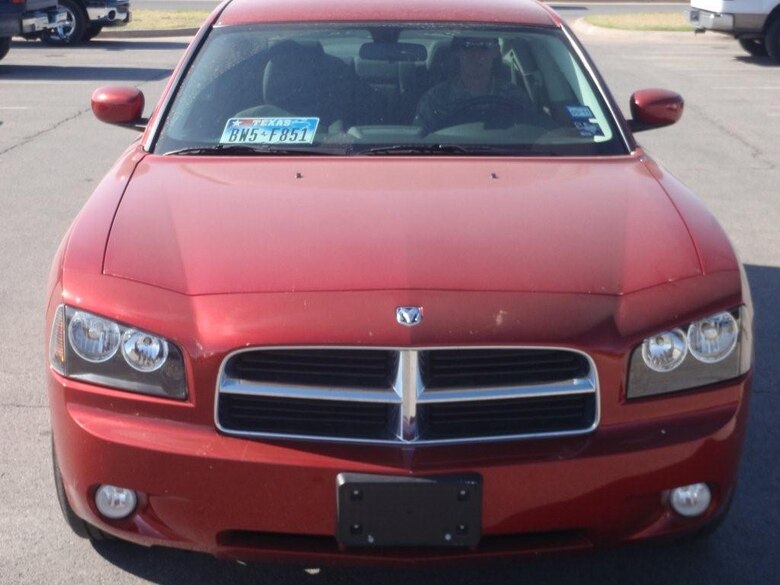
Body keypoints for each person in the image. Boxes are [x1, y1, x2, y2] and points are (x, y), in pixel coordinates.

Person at [414, 37, 532, 133]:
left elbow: (530, 135)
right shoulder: (435, 100)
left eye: (484, 47)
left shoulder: (514, 97)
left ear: (496, 51)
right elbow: (422, 139)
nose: (476, 55)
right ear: (457, 52)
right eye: (467, 46)